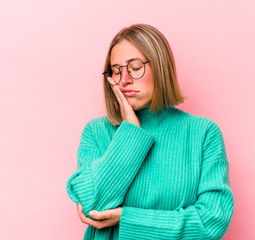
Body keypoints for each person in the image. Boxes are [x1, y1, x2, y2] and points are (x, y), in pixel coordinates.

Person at [66, 23, 234, 240]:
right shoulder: (96, 132)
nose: (124, 80)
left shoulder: (203, 133)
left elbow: (211, 223)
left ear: (161, 67)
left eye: (135, 67)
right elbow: (93, 208)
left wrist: (126, 219)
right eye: (116, 71)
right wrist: (130, 134)